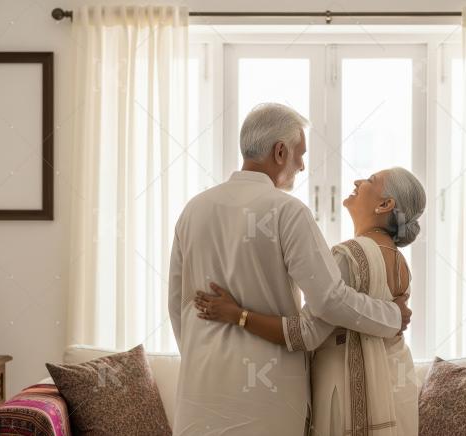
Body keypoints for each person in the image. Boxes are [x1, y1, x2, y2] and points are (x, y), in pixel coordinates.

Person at [168, 103, 412, 436]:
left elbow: (178, 306)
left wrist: (202, 354)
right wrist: (392, 316)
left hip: (197, 396)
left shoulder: (193, 210)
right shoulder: (288, 212)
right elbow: (329, 301)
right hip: (268, 402)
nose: (301, 165)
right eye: (299, 154)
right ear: (280, 152)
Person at [196, 167, 426, 436]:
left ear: (385, 205)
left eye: (370, 181)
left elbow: (305, 334)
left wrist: (238, 315)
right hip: (397, 392)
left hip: (345, 395)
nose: (358, 181)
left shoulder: (348, 256)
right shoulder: (401, 265)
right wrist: (393, 316)